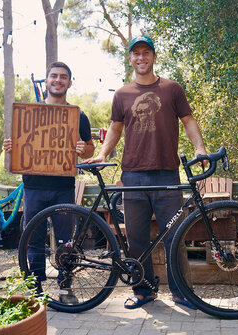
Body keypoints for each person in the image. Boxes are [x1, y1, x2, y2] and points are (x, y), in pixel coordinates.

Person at [85, 35, 207, 309]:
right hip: (133, 177)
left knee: (175, 236)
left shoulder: (172, 89)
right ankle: (145, 291)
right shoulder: (122, 94)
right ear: (130, 59)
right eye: (136, 53)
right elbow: (115, 128)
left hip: (166, 176)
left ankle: (181, 292)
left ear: (153, 57)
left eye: (146, 53)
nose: (141, 58)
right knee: (137, 239)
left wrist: (199, 149)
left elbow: (188, 120)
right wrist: (103, 154)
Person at [3, 61, 95, 300]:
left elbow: (90, 150)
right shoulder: (28, 114)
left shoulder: (78, 116)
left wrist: (83, 148)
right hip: (33, 186)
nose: (58, 80)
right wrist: (11, 147)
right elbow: (18, 146)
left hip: (63, 187)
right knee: (33, 239)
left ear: (69, 82)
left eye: (63, 77)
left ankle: (65, 288)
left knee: (66, 241)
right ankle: (35, 291)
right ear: (47, 80)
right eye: (54, 76)